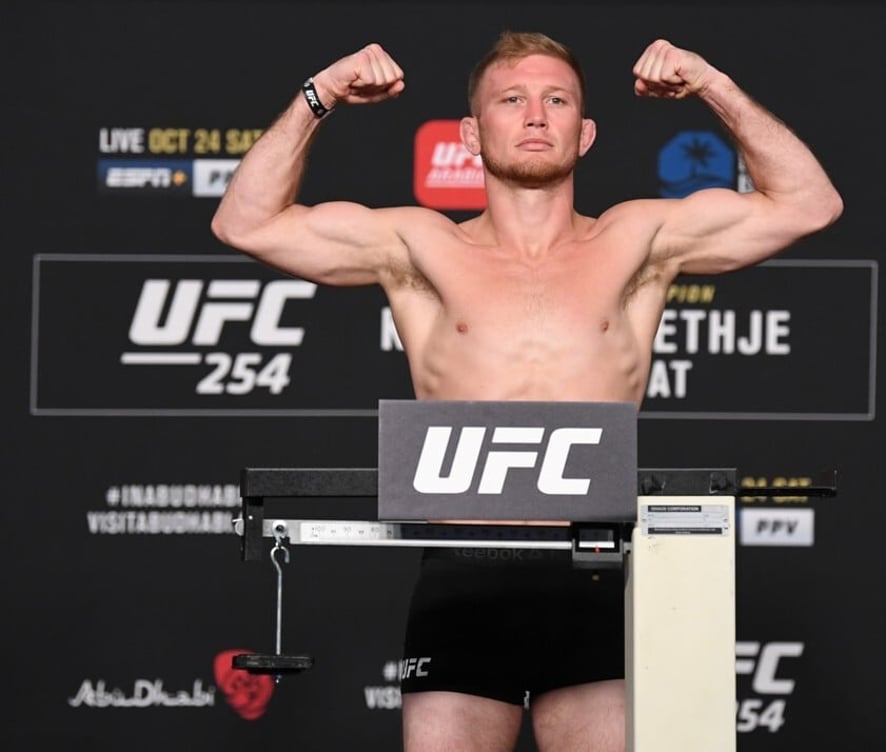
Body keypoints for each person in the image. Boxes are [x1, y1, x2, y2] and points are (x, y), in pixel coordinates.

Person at [212, 31, 842, 752]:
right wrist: (320, 92)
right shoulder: (421, 248)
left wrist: (711, 83)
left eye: (557, 100)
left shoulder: (639, 240)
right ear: (471, 136)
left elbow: (809, 203)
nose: (536, 116)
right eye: (512, 100)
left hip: (595, 574)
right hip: (461, 576)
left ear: (587, 131)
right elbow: (244, 221)